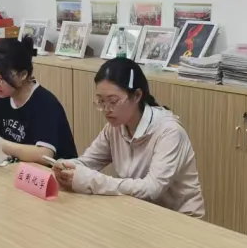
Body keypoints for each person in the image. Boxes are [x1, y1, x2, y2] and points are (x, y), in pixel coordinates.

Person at [53, 58, 205, 217]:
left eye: (113, 101)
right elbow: (87, 163)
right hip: (139, 210)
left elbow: (152, 188)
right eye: (101, 101)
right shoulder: (115, 127)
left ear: (137, 95)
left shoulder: (169, 131)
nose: (106, 109)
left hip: (179, 218)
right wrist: (66, 166)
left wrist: (92, 181)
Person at [0, 36, 77, 164]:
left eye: (1, 78)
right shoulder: (2, 98)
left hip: (53, 172)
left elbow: (44, 155)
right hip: (17, 168)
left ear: (23, 75)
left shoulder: (45, 104)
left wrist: (0, 144)